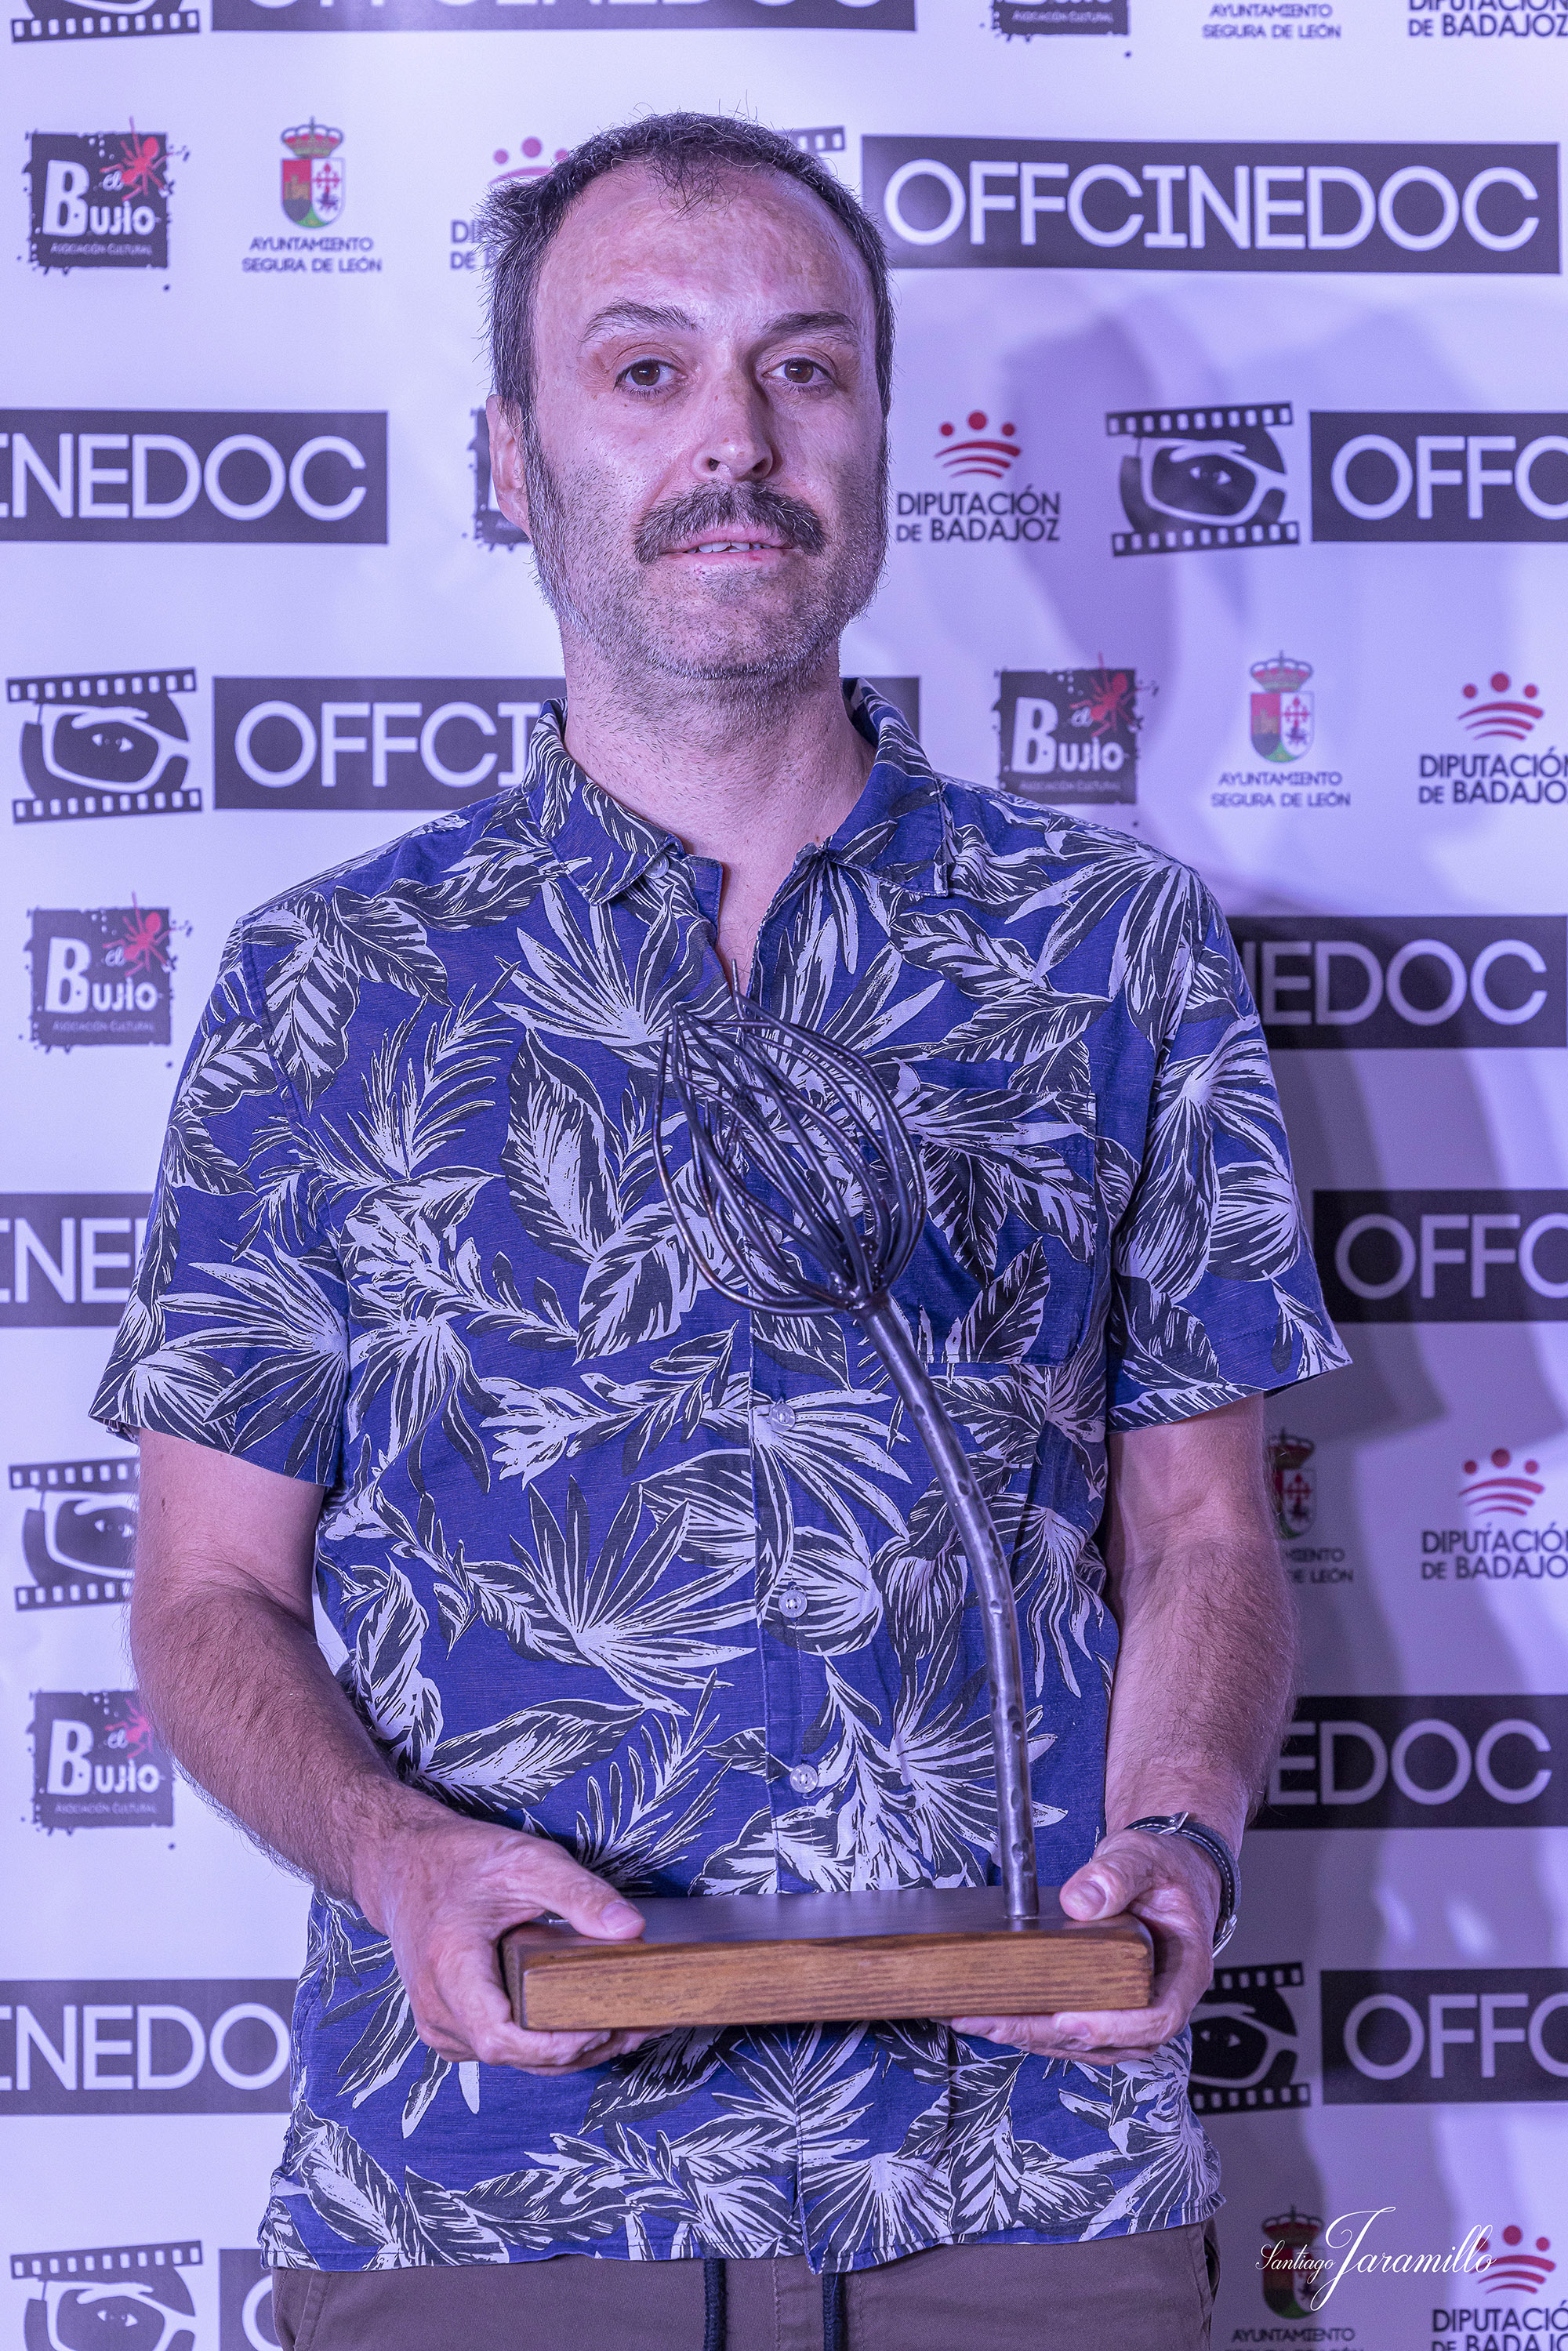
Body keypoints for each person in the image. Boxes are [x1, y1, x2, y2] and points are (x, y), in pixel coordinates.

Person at [94, 111, 1348, 2351]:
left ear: (878, 441)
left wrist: (1177, 1831)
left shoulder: (1110, 948)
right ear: (515, 459)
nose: (737, 440)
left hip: (1028, 2170)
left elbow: (1206, 1534)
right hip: (487, 2190)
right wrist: (395, 1854)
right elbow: (204, 1598)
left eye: (805, 367)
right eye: (647, 367)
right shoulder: (330, 986)